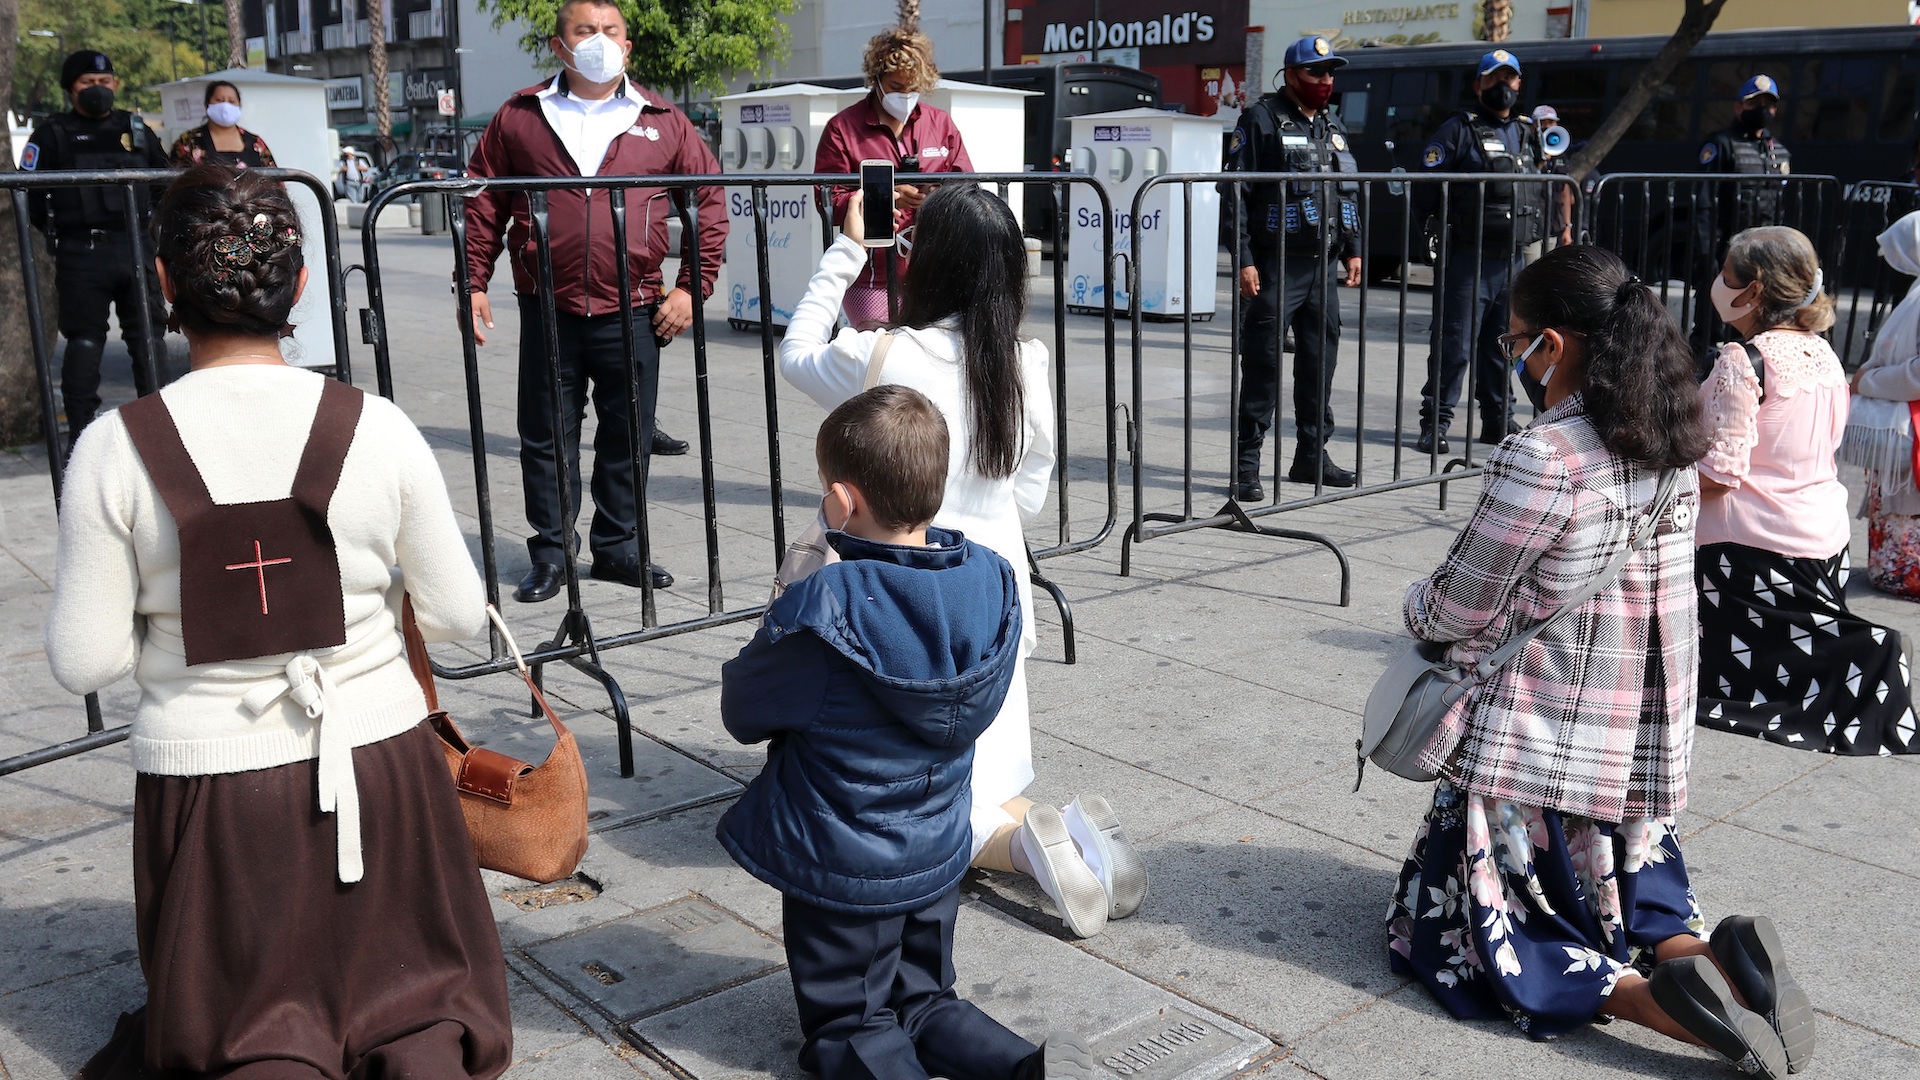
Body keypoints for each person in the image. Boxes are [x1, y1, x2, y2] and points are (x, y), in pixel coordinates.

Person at [45, 165, 509, 1079]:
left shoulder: (115, 446)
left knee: (249, 1036)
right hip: (384, 773)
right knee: (413, 1011)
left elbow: (83, 658)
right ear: (299, 286)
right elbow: (460, 615)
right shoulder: (376, 426)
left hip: (217, 797)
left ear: (166, 284)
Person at [1391, 244, 1814, 1079]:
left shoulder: (1542, 456)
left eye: (1516, 338)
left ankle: (1648, 1000)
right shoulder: (1673, 436)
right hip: (1637, 732)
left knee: (1472, 934)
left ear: (1553, 344)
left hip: (1537, 736)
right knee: (1631, 883)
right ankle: (1707, 953)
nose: (1511, 353)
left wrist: (1411, 607)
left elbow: (1458, 606)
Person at [780, 184, 1146, 939]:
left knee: (942, 807)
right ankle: (1076, 834)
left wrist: (851, 248)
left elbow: (796, 351)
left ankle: (1032, 848)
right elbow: (1035, 489)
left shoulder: (884, 352)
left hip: (904, 606)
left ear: (928, 264)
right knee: (991, 772)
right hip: (1000, 601)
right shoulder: (1025, 360)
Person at [716, 385, 1097, 1080]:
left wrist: (789, 606)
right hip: (938, 843)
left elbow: (744, 710)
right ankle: (1026, 1069)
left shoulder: (825, 605)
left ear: (841, 499)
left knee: (852, 1026)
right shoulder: (991, 578)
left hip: (845, 857)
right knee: (925, 1000)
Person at [464, 0, 727, 603]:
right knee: (547, 436)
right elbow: (482, 204)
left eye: (611, 31)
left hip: (635, 306)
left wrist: (692, 286)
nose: (600, 40)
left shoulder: (662, 119)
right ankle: (552, 555)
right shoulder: (520, 116)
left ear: (627, 47)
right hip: (548, 305)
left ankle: (619, 551)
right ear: (560, 46)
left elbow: (707, 201)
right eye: (586, 30)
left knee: (627, 435)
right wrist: (473, 281)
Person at [1694, 226, 1917, 754]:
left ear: (1753, 292)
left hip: (1747, 548)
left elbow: (1721, 473)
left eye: (1727, 276)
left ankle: (1869, 655)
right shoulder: (1823, 353)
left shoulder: (1742, 361)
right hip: (1824, 540)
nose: (1718, 284)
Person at [1222, 34, 1363, 499]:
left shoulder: (1329, 123)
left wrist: (1354, 248)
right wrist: (1242, 259)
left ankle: (1310, 456)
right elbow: (1236, 194)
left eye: (1331, 72)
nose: (1326, 80)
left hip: (1322, 266)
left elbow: (1346, 191)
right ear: (1292, 75)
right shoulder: (1261, 120)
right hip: (1275, 266)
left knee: (1319, 364)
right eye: (1317, 72)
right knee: (1262, 363)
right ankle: (1247, 466)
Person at [22, 49, 172, 444]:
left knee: (149, 339)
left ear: (116, 85)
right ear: (71, 88)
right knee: (85, 341)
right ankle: (81, 431)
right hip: (82, 254)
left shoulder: (136, 128)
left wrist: (154, 233)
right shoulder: (51, 134)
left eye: (105, 83)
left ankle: (159, 429)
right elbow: (30, 198)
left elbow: (163, 182)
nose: (98, 90)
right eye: (88, 83)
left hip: (136, 247)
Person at [1416, 49, 1547, 454]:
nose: (1502, 87)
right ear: (1478, 85)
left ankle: (1497, 420)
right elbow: (1427, 188)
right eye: (1494, 79)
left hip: (1511, 260)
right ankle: (1435, 423)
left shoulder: (1526, 133)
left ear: (1519, 84)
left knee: (1504, 344)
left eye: (1509, 79)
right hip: (1468, 259)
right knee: (1454, 344)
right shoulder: (1459, 130)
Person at [814, 20, 973, 329]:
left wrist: (933, 198)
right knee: (881, 361)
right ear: (877, 79)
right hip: (870, 276)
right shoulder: (842, 129)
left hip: (935, 270)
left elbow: (966, 187)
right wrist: (891, 195)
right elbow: (828, 201)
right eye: (897, 88)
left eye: (914, 89)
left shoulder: (941, 124)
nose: (906, 95)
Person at [1845, 210, 1920, 599]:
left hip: (1911, 419)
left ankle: (1903, 572)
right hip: (1906, 419)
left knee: (1906, 502)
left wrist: (1868, 381)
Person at [1691, 75, 1792, 352]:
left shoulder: (1779, 151)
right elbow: (1704, 199)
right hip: (1725, 244)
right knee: (1712, 309)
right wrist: (1705, 249)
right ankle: (1703, 359)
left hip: (1764, 248)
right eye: (1755, 102)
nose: (1763, 109)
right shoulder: (1721, 143)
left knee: (1758, 308)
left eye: (1768, 104)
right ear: (1739, 107)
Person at [167, 81, 276, 169]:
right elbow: (169, 181)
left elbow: (276, 182)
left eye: (231, 101)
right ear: (207, 104)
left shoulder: (255, 143)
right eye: (219, 100)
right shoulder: (189, 141)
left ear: (239, 105)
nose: (225, 106)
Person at [1527, 104, 1576, 262]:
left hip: (1554, 227)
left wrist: (1567, 227)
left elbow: (1565, 193)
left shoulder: (1560, 156)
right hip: (1532, 228)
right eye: (1543, 122)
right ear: (1534, 126)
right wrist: (1539, 164)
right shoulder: (1526, 152)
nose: (1548, 126)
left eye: (1551, 122)